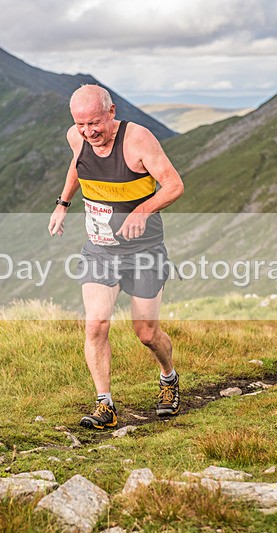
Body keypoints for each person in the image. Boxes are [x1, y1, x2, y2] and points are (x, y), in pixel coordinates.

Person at [48, 84, 185, 429]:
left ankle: (168, 378)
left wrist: (143, 210)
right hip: (100, 249)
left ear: (111, 112)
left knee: (146, 333)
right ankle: (104, 404)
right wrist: (62, 203)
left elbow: (173, 185)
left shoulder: (138, 140)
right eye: (80, 124)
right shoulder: (77, 137)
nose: (89, 132)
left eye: (95, 123)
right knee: (96, 323)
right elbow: (77, 166)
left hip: (144, 250)